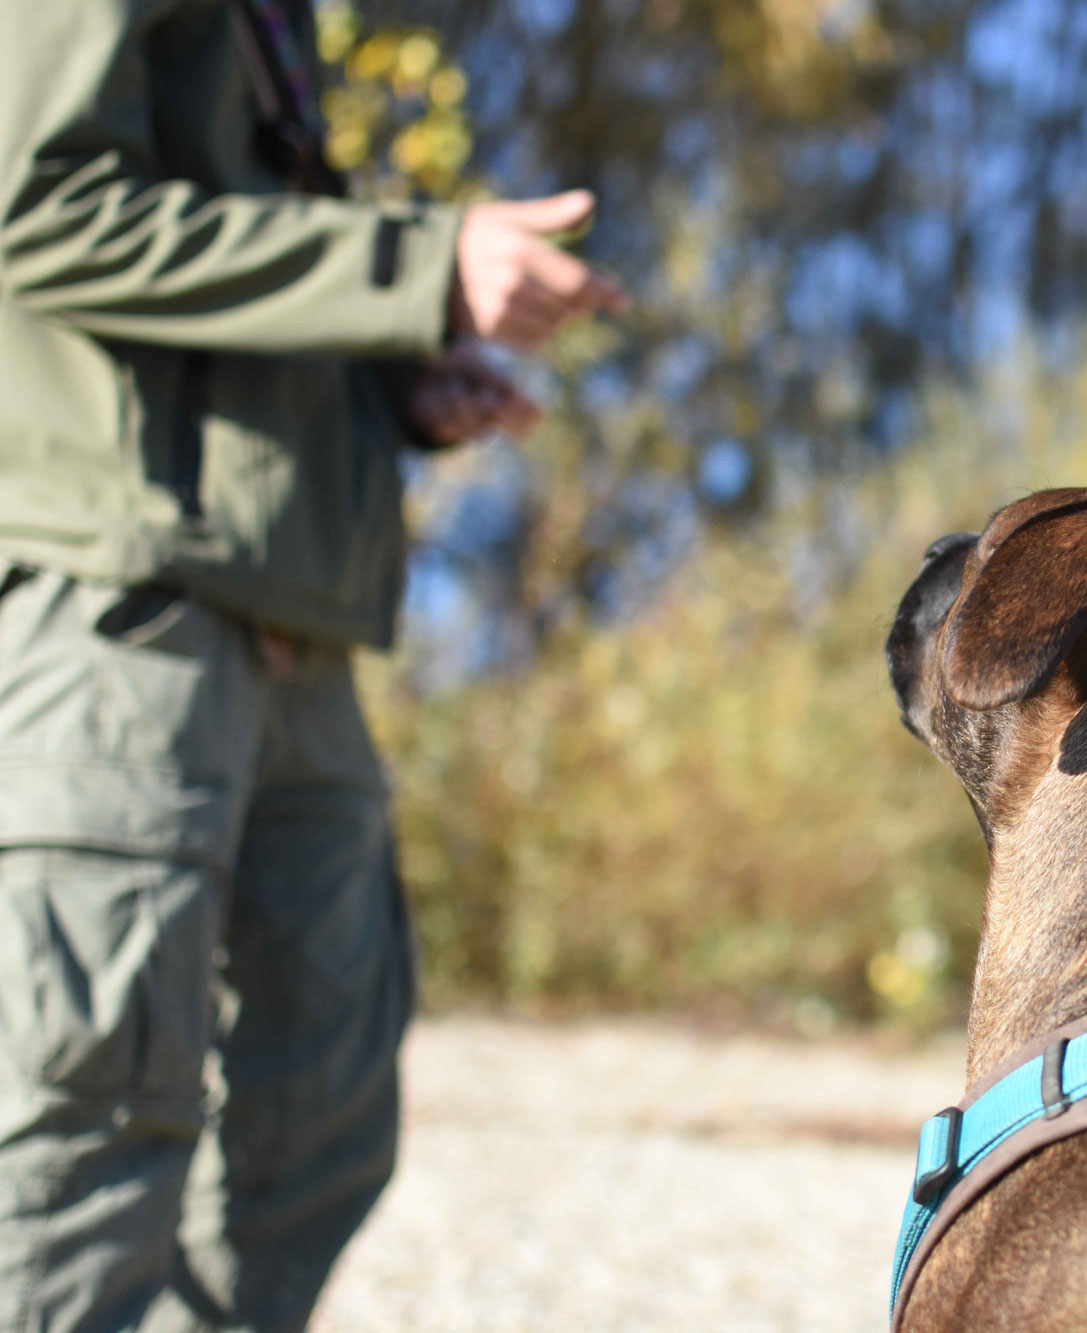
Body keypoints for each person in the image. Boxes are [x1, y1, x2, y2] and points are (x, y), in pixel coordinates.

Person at [0, 1, 626, 1328]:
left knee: (321, 1114)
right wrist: (414, 267)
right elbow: (34, 210)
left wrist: (398, 385)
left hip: (297, 618)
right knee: (93, 1123)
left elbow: (224, 259)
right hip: (130, 603)